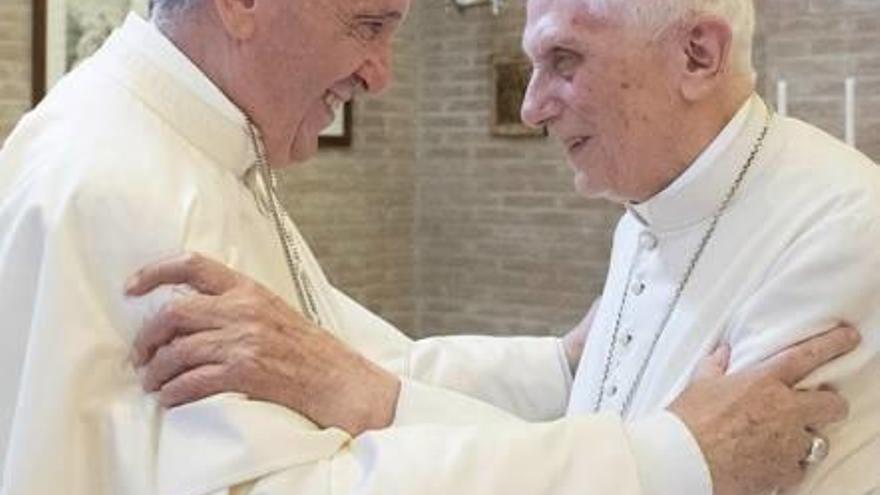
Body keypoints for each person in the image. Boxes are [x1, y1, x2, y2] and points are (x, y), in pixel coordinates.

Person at [0, 1, 855, 495]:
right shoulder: (121, 181)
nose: (380, 75)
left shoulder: (184, 148)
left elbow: (352, 364)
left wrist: (556, 368)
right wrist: (662, 460)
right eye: (368, 24)